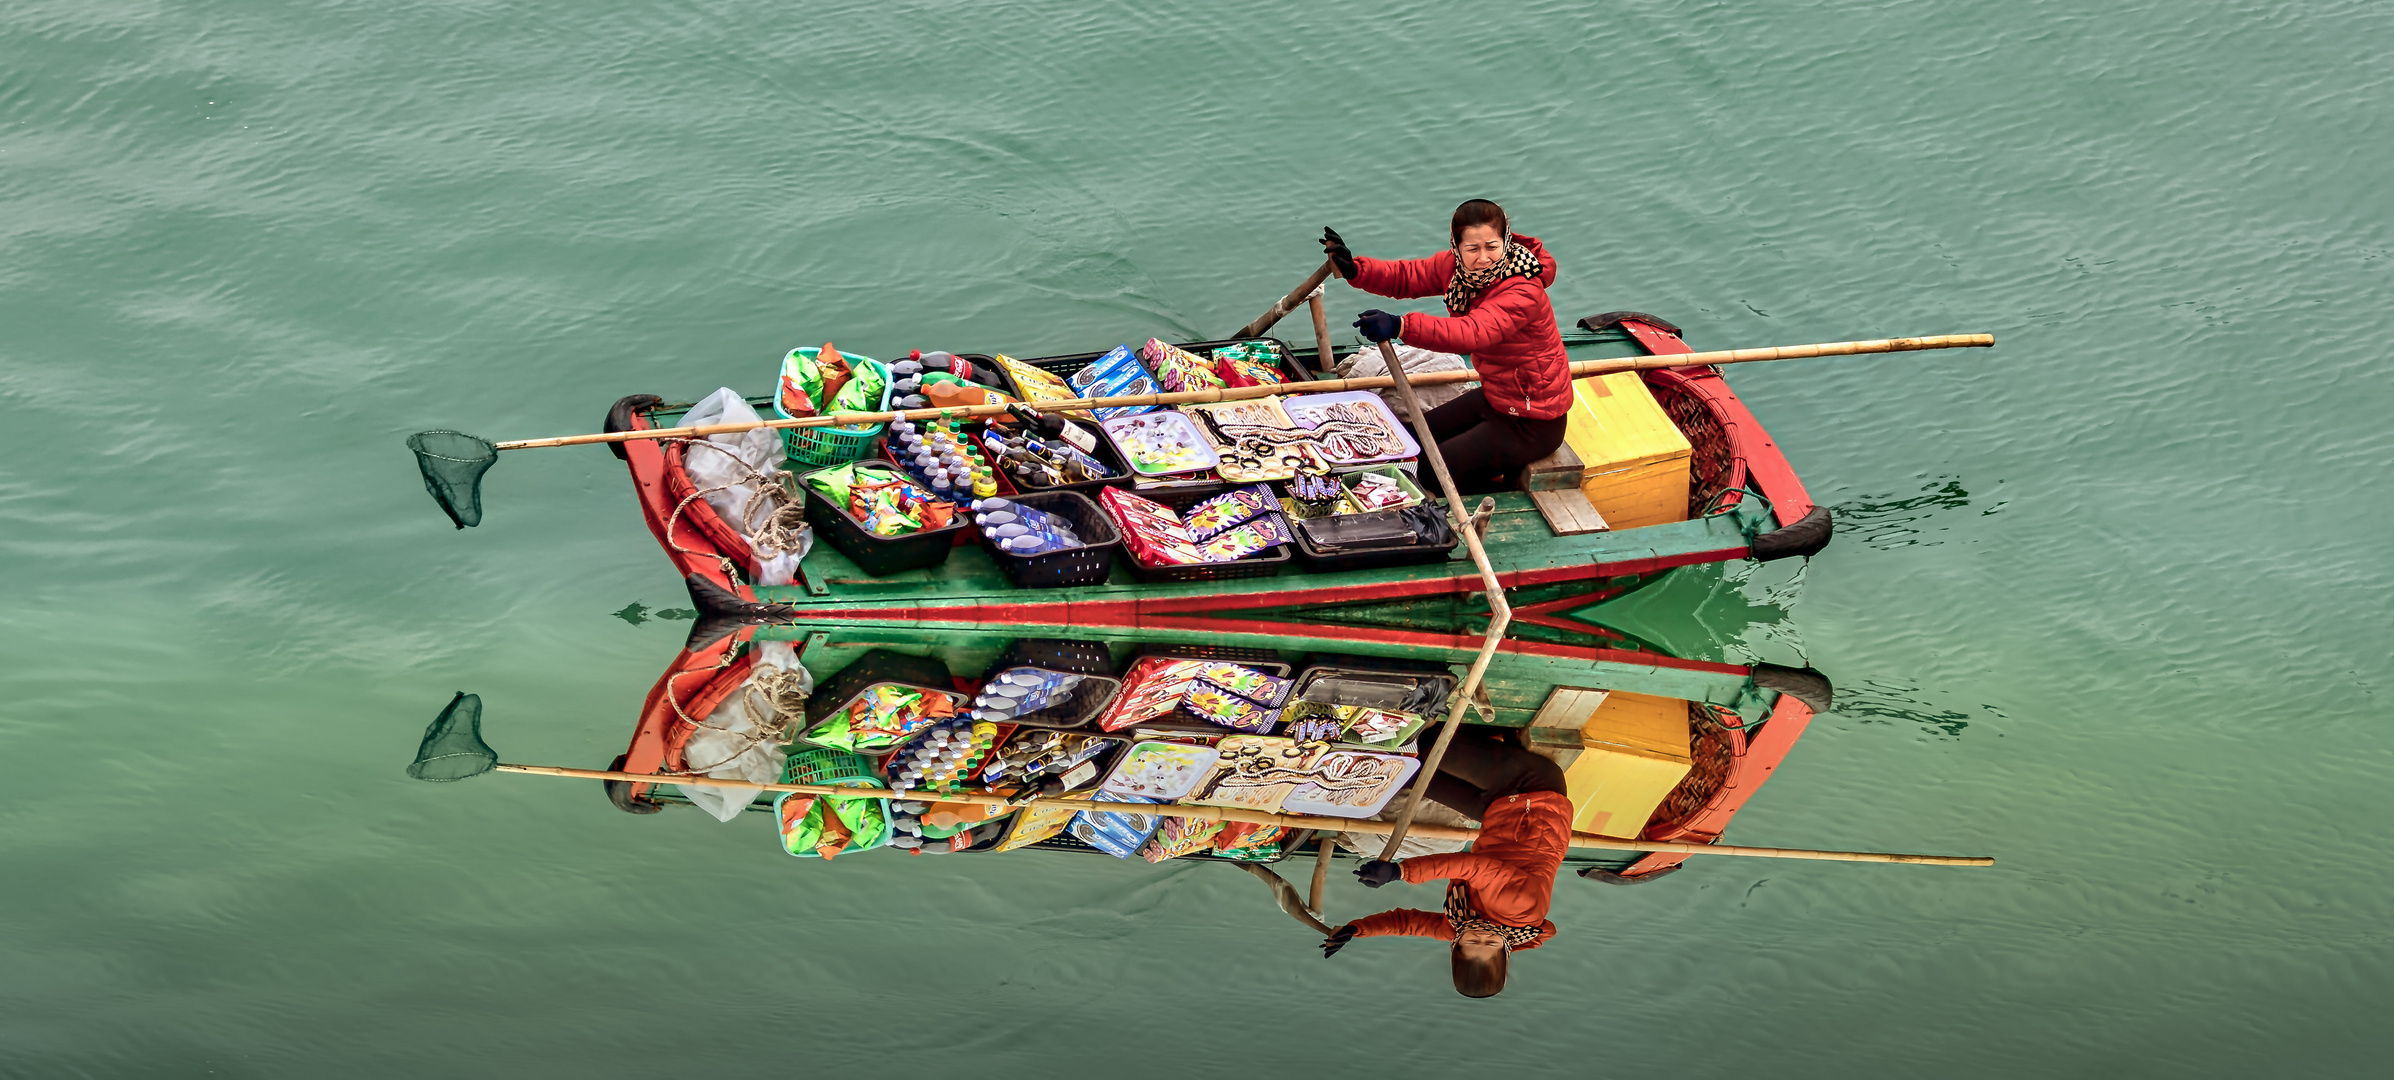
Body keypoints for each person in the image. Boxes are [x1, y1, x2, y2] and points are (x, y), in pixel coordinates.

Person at [1322, 200, 1572, 493]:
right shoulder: (1456, 271)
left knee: (1430, 473)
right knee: (1407, 440)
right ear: (1457, 246)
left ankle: (1505, 496)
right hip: (1495, 399)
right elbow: (1407, 276)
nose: (1483, 258)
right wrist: (1356, 270)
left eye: (1492, 247)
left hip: (1533, 421)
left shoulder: (1523, 288)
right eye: (1472, 249)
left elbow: (1472, 332)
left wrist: (1400, 326)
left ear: (1505, 241)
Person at [1317, 729, 1574, 998]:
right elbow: (1473, 866)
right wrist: (1400, 871)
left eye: (1473, 941)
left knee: (1406, 775)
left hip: (1495, 812)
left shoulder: (1459, 926)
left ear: (1456, 946)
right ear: (1506, 948)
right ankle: (1499, 737)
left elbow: (1406, 924)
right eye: (1491, 942)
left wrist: (1357, 929)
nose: (1480, 933)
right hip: (1534, 792)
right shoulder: (1521, 910)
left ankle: (1487, 750)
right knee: (1430, 744)